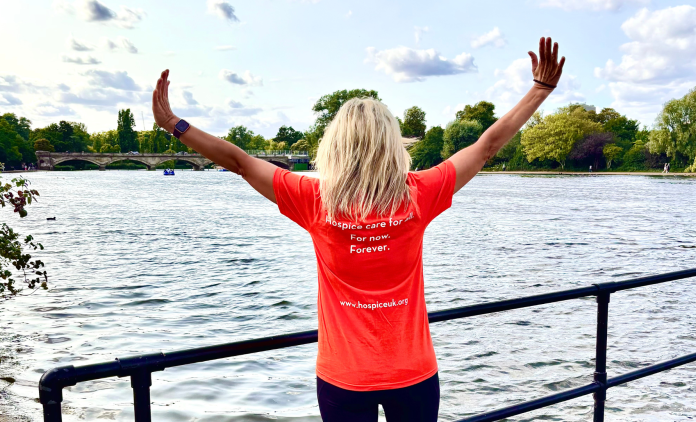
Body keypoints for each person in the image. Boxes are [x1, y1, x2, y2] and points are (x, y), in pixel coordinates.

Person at [151, 37, 565, 422]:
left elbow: (239, 161)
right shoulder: (419, 193)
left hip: (342, 378)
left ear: (337, 144)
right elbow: (487, 145)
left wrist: (175, 124)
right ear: (392, 143)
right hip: (414, 373)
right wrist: (539, 91)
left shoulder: (314, 199)